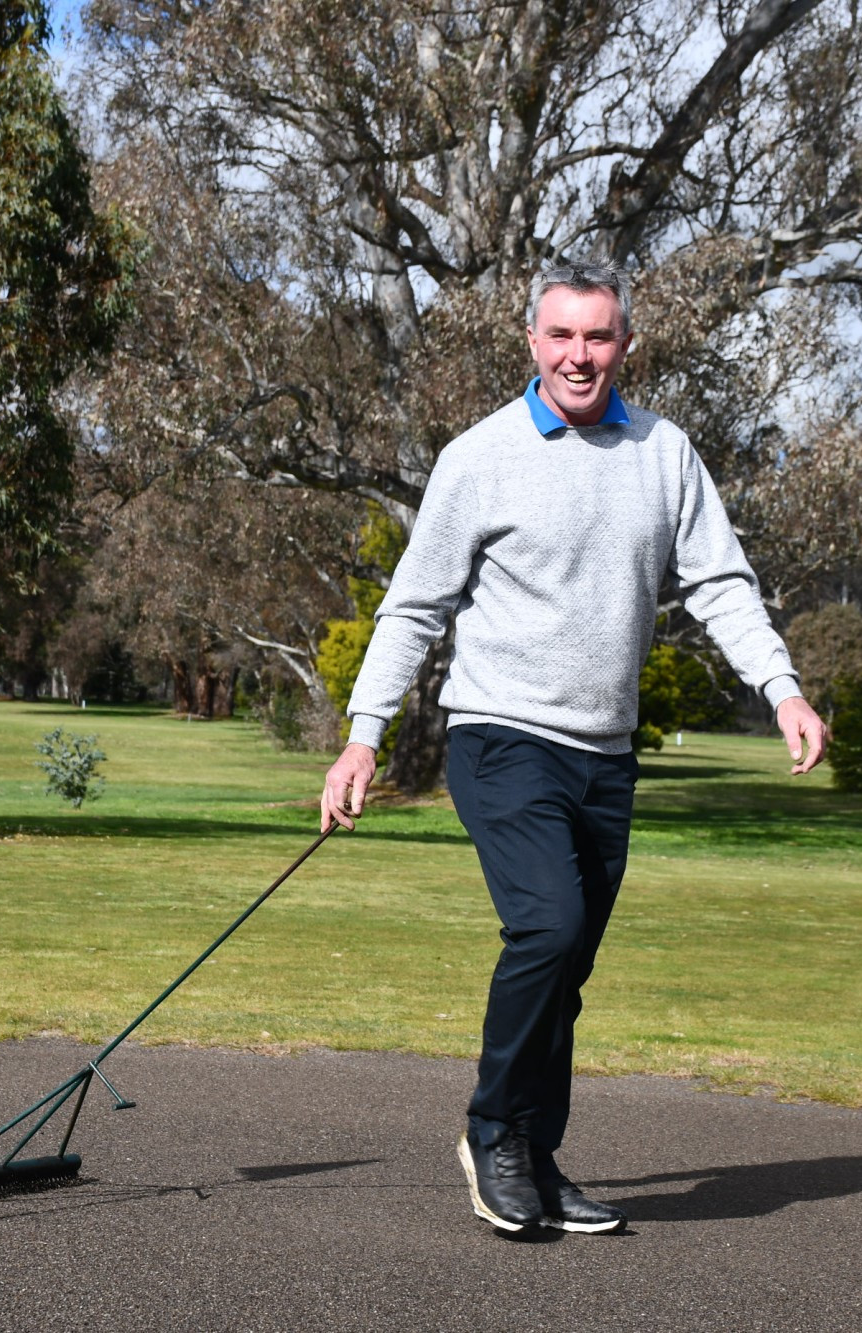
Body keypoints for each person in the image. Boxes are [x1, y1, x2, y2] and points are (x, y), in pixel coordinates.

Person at [319, 260, 827, 1235]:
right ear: (531, 344)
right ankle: (490, 1133)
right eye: (560, 335)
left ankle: (536, 1157)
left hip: (604, 754)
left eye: (597, 336)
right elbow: (414, 606)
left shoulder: (662, 451)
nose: (578, 354)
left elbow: (719, 582)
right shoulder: (481, 455)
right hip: (501, 737)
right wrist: (362, 737)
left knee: (569, 966)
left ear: (624, 345)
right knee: (546, 928)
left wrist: (782, 686)